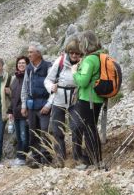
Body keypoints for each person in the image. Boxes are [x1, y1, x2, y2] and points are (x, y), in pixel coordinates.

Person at [45, 37, 82, 167]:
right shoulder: (60, 62)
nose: (74, 55)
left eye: (77, 53)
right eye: (72, 53)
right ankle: (60, 158)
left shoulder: (82, 64)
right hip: (58, 99)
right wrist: (51, 87)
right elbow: (48, 80)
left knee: (76, 127)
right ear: (68, 52)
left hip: (75, 99)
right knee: (56, 129)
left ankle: (77, 157)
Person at [70, 31, 105, 169]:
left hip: (87, 99)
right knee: (91, 128)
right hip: (97, 98)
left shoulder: (90, 59)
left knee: (89, 129)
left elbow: (83, 81)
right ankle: (96, 160)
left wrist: (74, 72)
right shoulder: (100, 56)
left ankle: (93, 161)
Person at [21, 43, 52, 167]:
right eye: (28, 52)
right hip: (32, 105)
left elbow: (53, 86)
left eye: (31, 52)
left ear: (38, 53)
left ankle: (47, 157)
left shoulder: (48, 67)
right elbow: (25, 87)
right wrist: (24, 104)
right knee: (33, 132)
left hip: (44, 104)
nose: (28, 55)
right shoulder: (28, 68)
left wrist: (49, 105)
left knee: (45, 131)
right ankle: (35, 157)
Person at [8, 56, 29, 166]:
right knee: (19, 137)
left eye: (23, 63)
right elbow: (13, 97)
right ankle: (20, 157)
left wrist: (24, 108)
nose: (21, 65)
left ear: (27, 64)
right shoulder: (15, 79)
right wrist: (10, 111)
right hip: (16, 113)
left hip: (24, 112)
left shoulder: (29, 77)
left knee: (24, 136)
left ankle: (22, 158)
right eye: (19, 63)